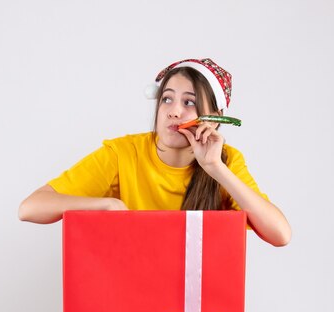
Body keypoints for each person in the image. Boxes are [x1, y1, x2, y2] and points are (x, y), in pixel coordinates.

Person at [19, 58, 291, 246]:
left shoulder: (226, 161)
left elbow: (280, 234)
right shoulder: (122, 153)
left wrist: (215, 168)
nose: (174, 110)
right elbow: (30, 208)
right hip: (129, 296)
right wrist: (105, 205)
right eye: (167, 99)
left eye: (189, 102)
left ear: (214, 117)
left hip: (194, 307)